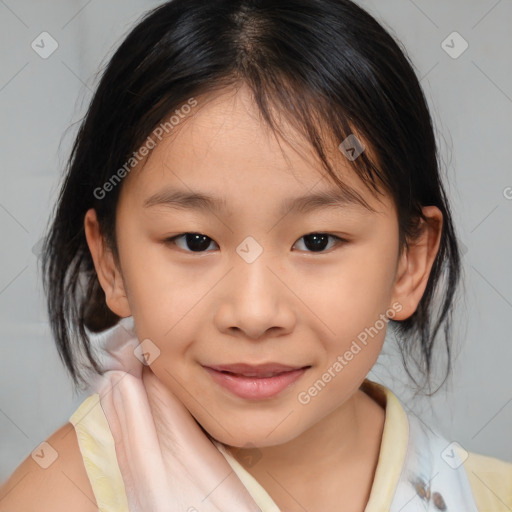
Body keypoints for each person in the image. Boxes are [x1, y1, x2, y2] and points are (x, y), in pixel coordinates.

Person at [1, 0, 511, 510]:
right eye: (194, 241)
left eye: (317, 241)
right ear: (110, 261)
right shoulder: (53, 498)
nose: (254, 313)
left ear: (409, 264)